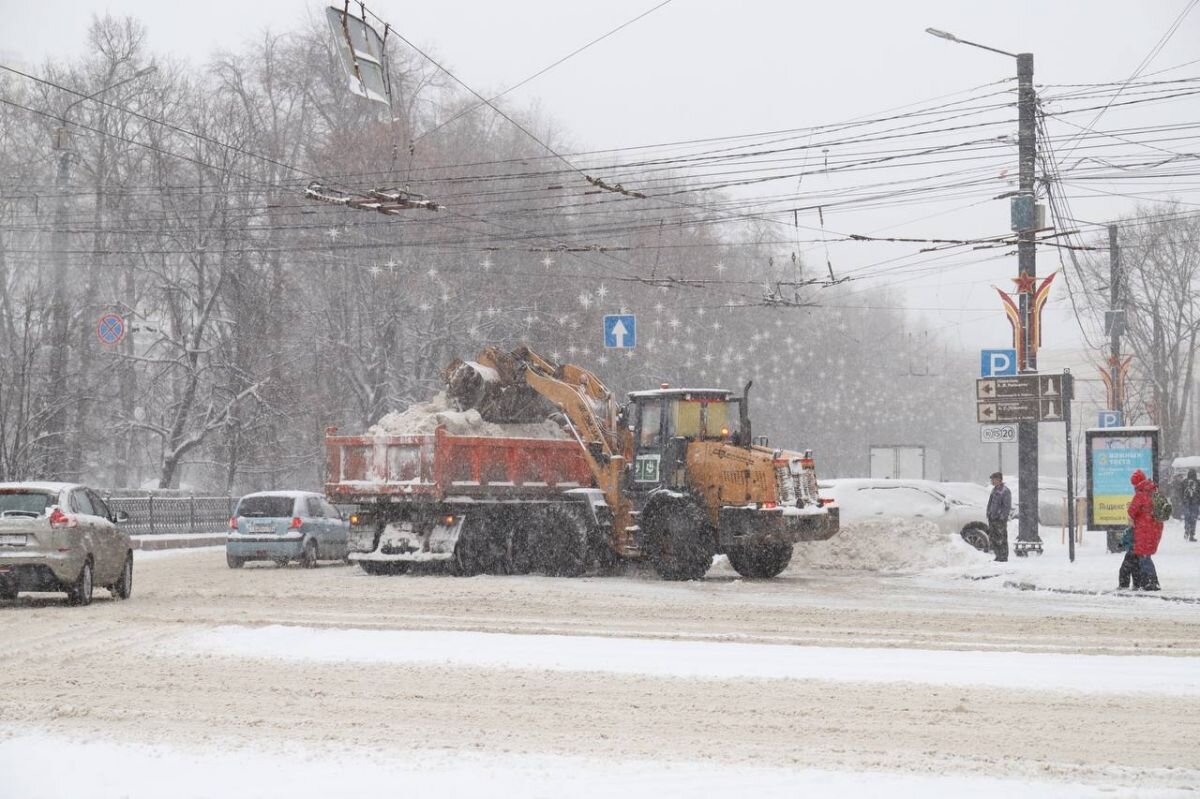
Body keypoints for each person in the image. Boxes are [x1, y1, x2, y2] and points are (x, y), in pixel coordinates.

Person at [1127, 469, 1163, 591]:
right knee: (1145, 555)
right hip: (1155, 527)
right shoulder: (1153, 489)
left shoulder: (1141, 493)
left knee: (1144, 556)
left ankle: (1152, 582)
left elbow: (1132, 511)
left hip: (1144, 528)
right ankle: (1148, 582)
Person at [986, 471, 1011, 562]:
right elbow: (991, 503)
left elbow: (1006, 506)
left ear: (998, 480)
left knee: (1001, 537)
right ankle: (998, 555)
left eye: (993, 479)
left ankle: (1003, 556)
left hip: (999, 519)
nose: (992, 481)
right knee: (994, 538)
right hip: (992, 518)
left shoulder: (1005, 491)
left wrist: (1002, 517)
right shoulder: (995, 490)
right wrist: (989, 513)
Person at [1117, 526, 1143, 590]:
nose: (1130, 522)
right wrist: (1121, 543)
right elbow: (1125, 539)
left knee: (1132, 569)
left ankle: (1132, 585)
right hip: (1131, 551)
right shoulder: (1128, 530)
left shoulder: (1138, 530)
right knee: (1128, 569)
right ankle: (1131, 585)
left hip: (1136, 552)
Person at [1181, 468, 1200, 542]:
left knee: (1187, 518)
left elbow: (1181, 492)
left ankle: (1187, 530)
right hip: (1195, 504)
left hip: (1186, 503)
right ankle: (1192, 535)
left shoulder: (1184, 482)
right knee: (1193, 519)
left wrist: (1182, 501)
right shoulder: (1198, 482)